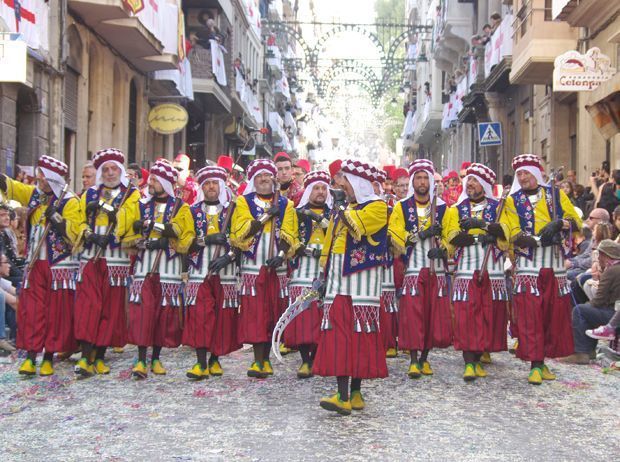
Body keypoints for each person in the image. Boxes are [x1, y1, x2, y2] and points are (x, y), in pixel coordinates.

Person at [313, 159, 388, 415]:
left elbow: (358, 227)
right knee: (340, 335)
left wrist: (340, 207)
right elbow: (329, 242)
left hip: (361, 283)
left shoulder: (378, 207)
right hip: (338, 280)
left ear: (357, 182)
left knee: (358, 336)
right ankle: (346, 394)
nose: (339, 186)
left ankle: (351, 394)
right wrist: (322, 274)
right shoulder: (344, 207)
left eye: (343, 181)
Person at [499, 154, 582, 384]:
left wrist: (560, 223)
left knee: (551, 316)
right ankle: (535, 364)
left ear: (536, 173)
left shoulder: (556, 195)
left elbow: (576, 222)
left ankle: (542, 361)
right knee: (531, 315)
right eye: (519, 174)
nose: (522, 177)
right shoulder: (512, 201)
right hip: (528, 266)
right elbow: (511, 231)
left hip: (554, 266)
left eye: (526, 172)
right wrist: (532, 240)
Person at [0, 156, 81, 376]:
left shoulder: (70, 201)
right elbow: (13, 187)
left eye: (44, 175)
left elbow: (75, 233)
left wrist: (57, 219)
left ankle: (48, 357)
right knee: (32, 310)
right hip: (35, 262)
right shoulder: (35, 194)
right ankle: (30, 356)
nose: (39, 179)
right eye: (39, 174)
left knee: (55, 312)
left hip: (59, 266)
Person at [73, 148, 141, 376]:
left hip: (116, 260)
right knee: (88, 306)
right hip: (91, 257)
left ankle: (100, 355)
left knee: (110, 309)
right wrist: (89, 234)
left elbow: (129, 219)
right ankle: (85, 356)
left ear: (120, 170)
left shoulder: (131, 194)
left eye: (114, 169)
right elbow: (79, 220)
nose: (110, 173)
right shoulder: (90, 193)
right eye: (106, 169)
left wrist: (104, 208)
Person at [229, 158, 299, 378]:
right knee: (256, 313)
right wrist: (268, 215)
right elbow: (240, 231)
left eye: (267, 175)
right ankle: (257, 360)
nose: (263, 179)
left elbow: (290, 234)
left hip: (276, 268)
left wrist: (281, 256)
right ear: (253, 179)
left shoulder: (286, 204)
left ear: (273, 178)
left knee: (272, 312)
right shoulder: (244, 202)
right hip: (253, 266)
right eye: (259, 176)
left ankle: (266, 359)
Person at [127, 160, 195, 379]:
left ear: (165, 183)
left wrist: (154, 229)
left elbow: (180, 231)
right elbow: (130, 231)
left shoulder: (180, 207)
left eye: (155, 180)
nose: (150, 183)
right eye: (151, 179)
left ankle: (156, 358)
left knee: (162, 314)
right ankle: (140, 359)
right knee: (143, 313)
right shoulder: (141, 205)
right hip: (145, 267)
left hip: (168, 267)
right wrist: (138, 235)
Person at [388, 159, 452, 379]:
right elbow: (396, 235)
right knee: (413, 316)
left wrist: (442, 250)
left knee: (432, 316)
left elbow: (451, 234)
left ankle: (425, 358)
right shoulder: (401, 207)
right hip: (414, 269)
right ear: (413, 181)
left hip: (436, 271)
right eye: (419, 178)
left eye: (426, 178)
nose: (422, 182)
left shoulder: (443, 208)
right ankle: (414, 360)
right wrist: (420, 235)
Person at [444, 163, 509, 381]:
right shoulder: (456, 209)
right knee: (466, 315)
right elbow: (452, 235)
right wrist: (472, 237)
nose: (470, 184)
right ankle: (469, 362)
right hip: (466, 269)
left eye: (475, 180)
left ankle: (479, 357)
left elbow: (506, 231)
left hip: (492, 268)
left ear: (484, 185)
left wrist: (485, 226)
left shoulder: (499, 207)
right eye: (468, 180)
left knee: (488, 315)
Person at [183, 166, 241, 379]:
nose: (211, 187)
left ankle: (215, 359)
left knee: (222, 316)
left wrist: (229, 256)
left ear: (221, 186)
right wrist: (206, 240)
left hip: (225, 272)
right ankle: (200, 363)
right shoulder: (191, 211)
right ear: (201, 187)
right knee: (200, 315)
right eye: (207, 183)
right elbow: (185, 243)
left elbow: (241, 240)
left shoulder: (232, 211)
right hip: (200, 272)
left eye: (214, 183)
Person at [284, 170, 331, 378]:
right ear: (308, 191)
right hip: (303, 269)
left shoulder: (335, 213)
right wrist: (302, 248)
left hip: (326, 270)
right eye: (316, 188)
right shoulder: (296, 213)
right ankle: (305, 360)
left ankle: (319, 357)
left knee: (323, 315)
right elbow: (289, 236)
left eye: (324, 188)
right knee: (303, 315)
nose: (320, 192)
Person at [563, 240, 620, 364]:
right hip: (615, 313)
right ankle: (589, 351)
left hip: (615, 316)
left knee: (580, 310)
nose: (598, 258)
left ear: (606, 256)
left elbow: (599, 300)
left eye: (599, 255)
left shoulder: (611, 271)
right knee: (589, 310)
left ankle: (581, 353)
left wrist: (587, 305)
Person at [0, 253, 17, 352]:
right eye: (6, 262)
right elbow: (14, 302)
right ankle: (1, 339)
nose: (9, 265)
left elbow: (17, 292)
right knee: (1, 296)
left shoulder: (1, 281)